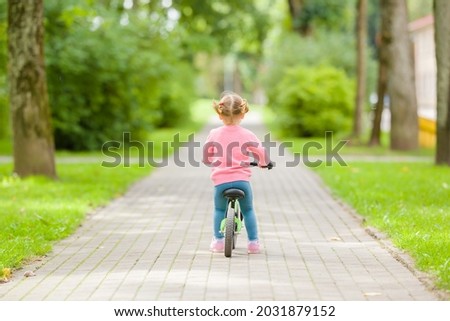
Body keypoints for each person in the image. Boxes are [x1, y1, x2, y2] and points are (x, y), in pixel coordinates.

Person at [203, 91, 271, 254]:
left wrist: (210, 160)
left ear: (220, 115)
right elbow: (260, 152)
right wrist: (263, 163)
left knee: (219, 210)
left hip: (220, 182)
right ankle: (253, 243)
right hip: (242, 181)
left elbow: (206, 155)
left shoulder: (214, 134)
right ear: (243, 114)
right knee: (248, 210)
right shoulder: (247, 134)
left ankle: (218, 241)